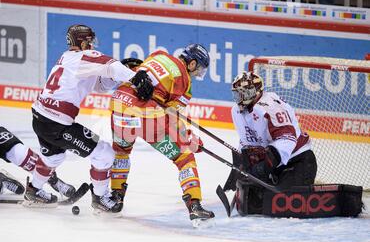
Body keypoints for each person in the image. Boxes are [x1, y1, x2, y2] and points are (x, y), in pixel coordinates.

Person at [28, 24, 154, 212]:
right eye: (89, 40)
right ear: (81, 41)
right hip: (57, 124)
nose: (92, 44)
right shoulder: (83, 57)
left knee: (53, 157)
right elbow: (111, 65)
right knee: (104, 154)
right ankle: (100, 199)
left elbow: (100, 86)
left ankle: (33, 190)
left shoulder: (67, 57)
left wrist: (122, 74)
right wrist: (136, 76)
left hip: (40, 118)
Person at [110, 44, 215, 227]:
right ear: (191, 63)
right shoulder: (185, 83)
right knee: (184, 157)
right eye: (198, 69)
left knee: (121, 152)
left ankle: (115, 198)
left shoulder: (158, 54)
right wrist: (189, 139)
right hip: (146, 116)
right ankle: (194, 205)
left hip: (119, 106)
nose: (197, 74)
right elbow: (173, 117)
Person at [230, 72, 317, 213]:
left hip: (297, 161)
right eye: (237, 94)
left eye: (244, 93)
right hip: (274, 165)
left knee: (283, 204)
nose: (240, 98)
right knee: (253, 200)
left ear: (256, 92)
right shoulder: (239, 110)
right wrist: (240, 164)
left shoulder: (269, 106)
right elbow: (247, 140)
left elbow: (287, 138)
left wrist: (265, 166)